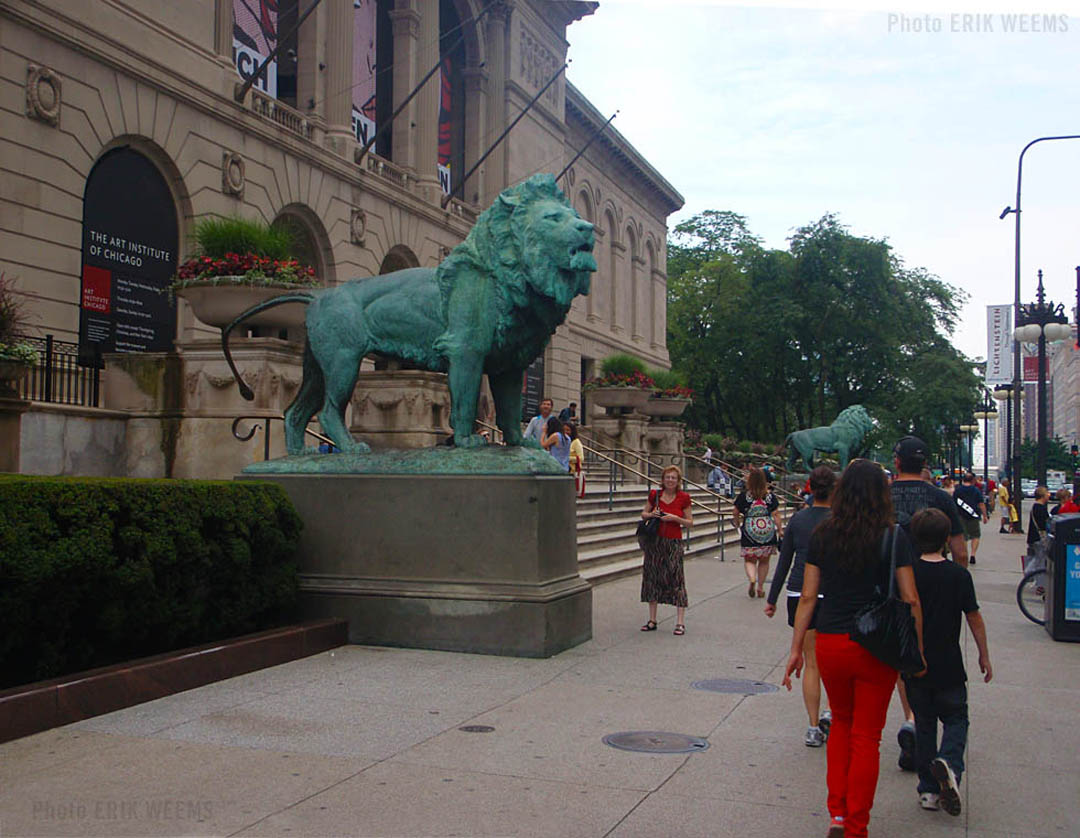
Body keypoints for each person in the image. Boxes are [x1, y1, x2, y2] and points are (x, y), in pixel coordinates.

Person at [783, 459, 924, 838]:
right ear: (882, 494)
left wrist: (796, 649)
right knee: (867, 736)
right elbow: (910, 599)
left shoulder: (824, 535)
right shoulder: (893, 536)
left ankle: (838, 815)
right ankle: (858, 824)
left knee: (842, 724)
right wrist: (917, 651)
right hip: (876, 644)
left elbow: (809, 596)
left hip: (830, 640)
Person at [905, 508, 992, 816]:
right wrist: (983, 654)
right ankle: (950, 763)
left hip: (917, 663)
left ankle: (928, 789)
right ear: (945, 539)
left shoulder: (908, 574)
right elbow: (973, 616)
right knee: (956, 719)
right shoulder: (958, 575)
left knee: (925, 725)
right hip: (950, 662)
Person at [889, 436, 967, 773]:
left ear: (896, 462)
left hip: (892, 590)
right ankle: (925, 729)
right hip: (938, 588)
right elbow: (961, 551)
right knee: (937, 654)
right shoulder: (939, 498)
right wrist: (956, 581)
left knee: (905, 660)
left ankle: (912, 719)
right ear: (924, 464)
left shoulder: (882, 497)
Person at [765, 465, 835, 748]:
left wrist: (772, 597)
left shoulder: (798, 520)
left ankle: (813, 725)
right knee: (832, 660)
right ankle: (832, 711)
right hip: (831, 593)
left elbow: (784, 560)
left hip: (799, 591)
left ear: (809, 488)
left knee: (812, 663)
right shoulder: (839, 521)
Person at [639, 465, 693, 636]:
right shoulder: (655, 495)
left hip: (673, 541)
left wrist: (675, 518)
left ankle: (680, 622)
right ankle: (652, 619)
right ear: (663, 479)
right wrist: (652, 514)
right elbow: (643, 514)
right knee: (651, 577)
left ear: (678, 481)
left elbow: (690, 521)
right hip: (655, 542)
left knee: (676, 578)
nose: (670, 480)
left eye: (673, 478)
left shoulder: (684, 498)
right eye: (667, 477)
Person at [733, 466, 782, 598]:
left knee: (750, 560)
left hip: (750, 528)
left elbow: (735, 511)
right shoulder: (770, 496)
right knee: (764, 561)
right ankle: (760, 587)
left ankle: (752, 579)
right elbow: (776, 514)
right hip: (766, 529)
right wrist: (780, 530)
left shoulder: (744, 496)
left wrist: (737, 522)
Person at [953, 473, 987, 566]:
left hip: (960, 515)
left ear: (963, 480)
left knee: (963, 537)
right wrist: (985, 516)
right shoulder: (976, 490)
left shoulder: (958, 490)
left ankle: (966, 554)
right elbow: (981, 504)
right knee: (975, 536)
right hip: (974, 515)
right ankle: (973, 554)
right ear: (973, 480)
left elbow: (953, 503)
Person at [1026, 486, 1050, 570]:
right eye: (1047, 493)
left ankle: (1031, 575)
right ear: (1042, 496)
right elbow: (1044, 524)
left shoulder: (1034, 507)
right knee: (1039, 559)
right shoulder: (1041, 508)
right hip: (1038, 537)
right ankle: (1029, 574)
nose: (1049, 495)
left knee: (1036, 558)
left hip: (1033, 537)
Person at [567, 422, 585, 498]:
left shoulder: (576, 442)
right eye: (564, 430)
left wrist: (568, 459)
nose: (566, 432)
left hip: (572, 471)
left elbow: (581, 458)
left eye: (568, 430)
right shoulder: (563, 441)